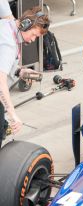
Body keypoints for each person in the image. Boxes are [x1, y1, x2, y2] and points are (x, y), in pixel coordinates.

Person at [0, 6, 50, 146]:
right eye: (34, 35)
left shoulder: (7, 25)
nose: (33, 40)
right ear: (26, 24)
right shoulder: (9, 44)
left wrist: (19, 71)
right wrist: (12, 114)